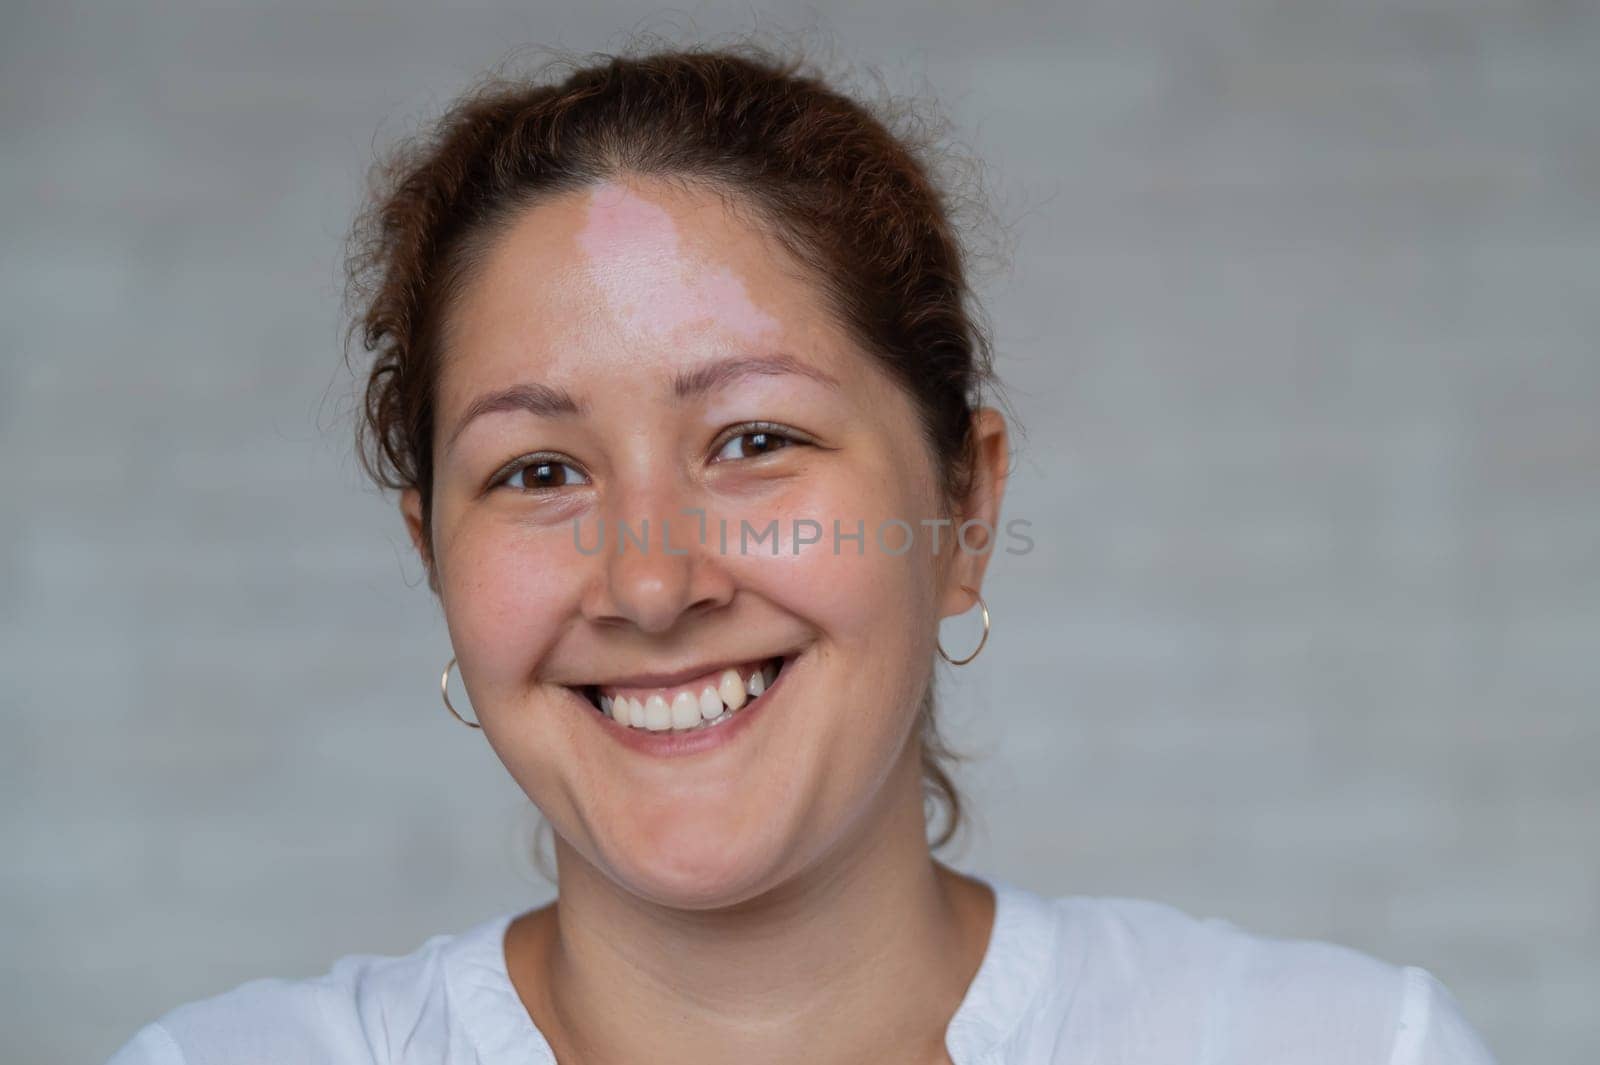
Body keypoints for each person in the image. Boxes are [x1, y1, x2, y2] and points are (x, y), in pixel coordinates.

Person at [106, 41, 1498, 1065]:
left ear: (963, 508)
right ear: (434, 558)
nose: (651, 584)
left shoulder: (1352, 1046)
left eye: (755, 439)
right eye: (538, 471)